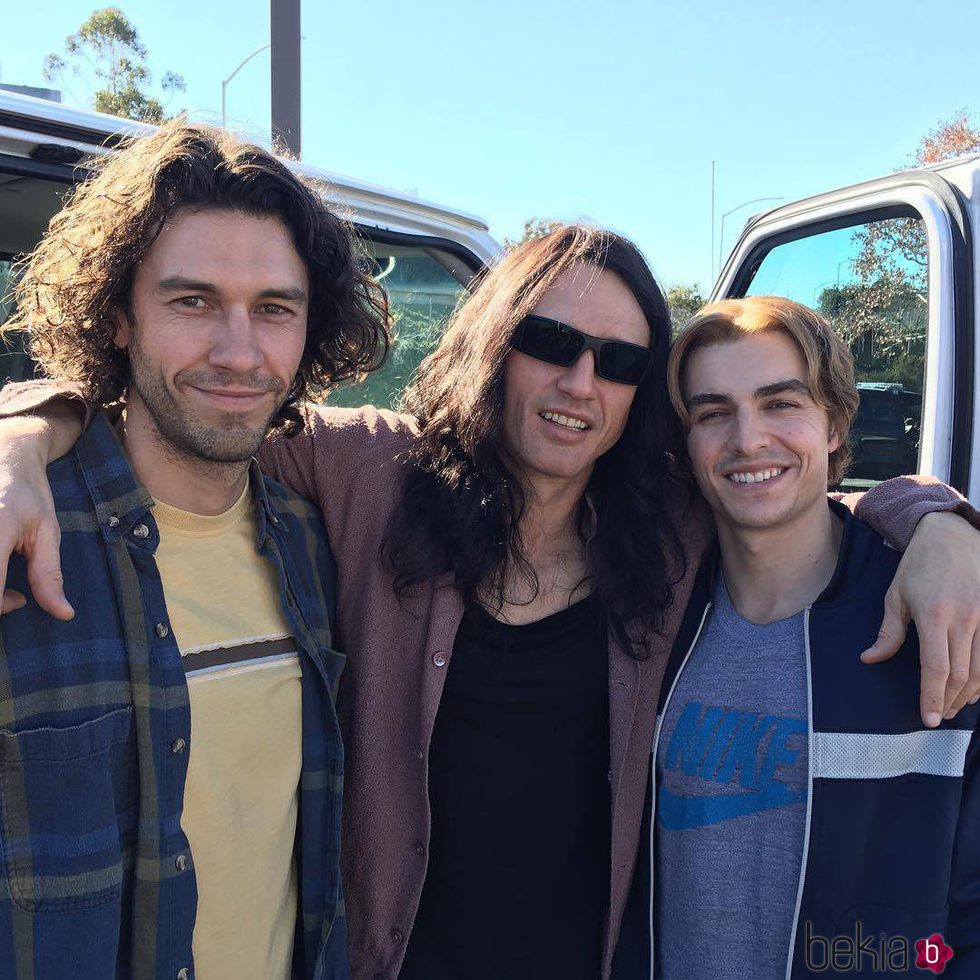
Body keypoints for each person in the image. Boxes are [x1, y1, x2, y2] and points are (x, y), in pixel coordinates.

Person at [1, 226, 980, 980]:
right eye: (548, 340)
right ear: (490, 341)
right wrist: (24, 432)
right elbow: (204, 399)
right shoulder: (373, 469)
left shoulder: (665, 524)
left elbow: (794, 482)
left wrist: (935, 521)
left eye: (620, 359)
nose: (578, 380)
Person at [0, 121, 389, 979]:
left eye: (275, 310)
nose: (239, 352)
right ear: (116, 318)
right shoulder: (21, 537)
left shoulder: (314, 541)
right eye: (192, 301)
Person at [614, 296, 979, 979]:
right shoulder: (649, 618)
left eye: (782, 403)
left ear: (836, 424)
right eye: (713, 412)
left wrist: (947, 522)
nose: (748, 439)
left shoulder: (939, 619)